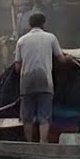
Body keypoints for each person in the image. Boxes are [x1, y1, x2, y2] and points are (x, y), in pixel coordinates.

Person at [13, 12, 67, 143]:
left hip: (26, 81)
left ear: (29, 24)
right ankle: (43, 142)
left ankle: (29, 143)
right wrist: (68, 58)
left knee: (27, 117)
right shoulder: (51, 38)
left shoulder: (21, 40)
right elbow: (61, 59)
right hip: (45, 81)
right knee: (44, 115)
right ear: (44, 24)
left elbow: (17, 67)